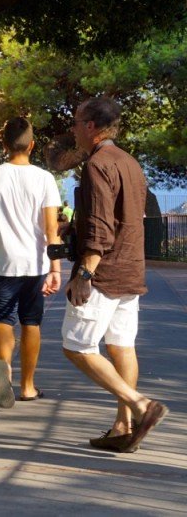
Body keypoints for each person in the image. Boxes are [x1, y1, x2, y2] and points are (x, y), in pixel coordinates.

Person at [62, 97, 168, 452]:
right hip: (131, 269)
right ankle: (123, 427)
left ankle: (139, 405)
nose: (74, 129)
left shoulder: (97, 164)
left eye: (77, 122)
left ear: (91, 126)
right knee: (121, 345)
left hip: (104, 272)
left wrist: (84, 274)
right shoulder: (130, 162)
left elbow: (100, 227)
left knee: (76, 346)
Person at [0, 117, 63, 408]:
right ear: (32, 145)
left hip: (2, 264)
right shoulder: (45, 179)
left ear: (4, 144)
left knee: (2, 318)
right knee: (31, 322)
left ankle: (4, 366)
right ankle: (27, 386)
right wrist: (56, 269)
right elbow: (52, 230)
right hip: (36, 264)